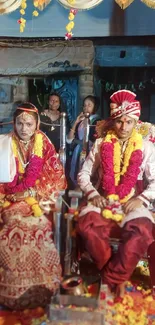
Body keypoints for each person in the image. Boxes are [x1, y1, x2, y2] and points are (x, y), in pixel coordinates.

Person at [77, 89, 155, 295]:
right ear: (114, 121)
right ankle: (117, 278)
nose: (124, 127)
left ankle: (110, 278)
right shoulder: (102, 144)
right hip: (103, 197)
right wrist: (93, 195)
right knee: (87, 225)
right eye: (120, 121)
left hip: (133, 199)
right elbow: (83, 174)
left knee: (143, 229)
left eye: (129, 122)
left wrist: (142, 198)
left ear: (136, 123)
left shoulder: (146, 147)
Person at [0, 102, 66, 309]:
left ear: (36, 124)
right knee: (13, 223)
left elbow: (55, 175)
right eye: (20, 123)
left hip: (38, 197)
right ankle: (11, 289)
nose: (24, 128)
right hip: (10, 197)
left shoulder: (43, 142)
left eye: (29, 124)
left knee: (39, 226)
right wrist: (12, 194)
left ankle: (43, 288)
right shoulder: (4, 142)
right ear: (14, 123)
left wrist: (30, 192)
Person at [67, 95, 100, 187]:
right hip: (77, 151)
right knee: (76, 174)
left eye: (89, 105)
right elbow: (69, 140)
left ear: (95, 107)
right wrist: (76, 122)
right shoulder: (80, 121)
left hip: (90, 151)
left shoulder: (97, 121)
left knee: (86, 174)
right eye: (84, 105)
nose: (86, 107)